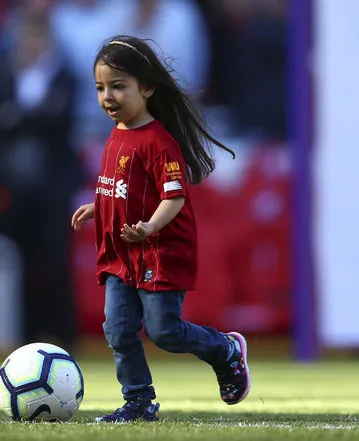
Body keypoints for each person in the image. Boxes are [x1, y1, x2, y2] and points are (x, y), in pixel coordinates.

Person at [70, 35, 249, 423]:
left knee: (164, 332)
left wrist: (150, 226)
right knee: (117, 329)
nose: (107, 96)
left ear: (147, 87)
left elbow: (175, 197)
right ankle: (138, 400)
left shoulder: (158, 142)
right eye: (100, 88)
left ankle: (226, 350)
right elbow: (121, 190)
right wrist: (97, 207)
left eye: (118, 86)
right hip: (124, 254)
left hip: (159, 252)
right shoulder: (116, 134)